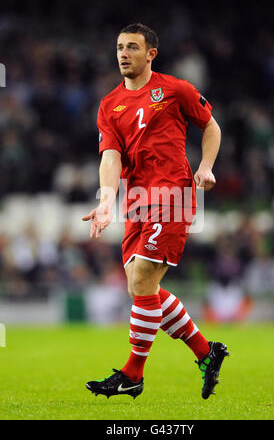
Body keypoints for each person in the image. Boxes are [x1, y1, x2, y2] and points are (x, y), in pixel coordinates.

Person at [82, 23, 229, 400]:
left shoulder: (175, 89)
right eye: (119, 47)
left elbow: (211, 127)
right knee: (141, 287)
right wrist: (105, 201)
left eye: (132, 47)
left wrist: (207, 165)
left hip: (174, 193)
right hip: (134, 200)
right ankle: (205, 352)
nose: (123, 53)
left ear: (151, 54)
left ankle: (133, 373)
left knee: (144, 279)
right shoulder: (109, 105)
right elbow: (110, 158)